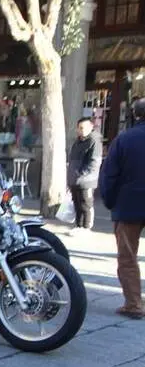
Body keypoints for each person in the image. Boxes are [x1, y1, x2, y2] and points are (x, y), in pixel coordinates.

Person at [99, 98, 145, 319]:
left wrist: (110, 201)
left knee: (128, 257)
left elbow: (109, 174)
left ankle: (134, 303)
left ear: (135, 115)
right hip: (129, 202)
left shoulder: (124, 139)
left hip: (129, 204)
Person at [67, 117, 101, 234]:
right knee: (77, 204)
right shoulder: (77, 141)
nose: (81, 130)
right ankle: (78, 225)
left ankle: (86, 227)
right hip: (75, 179)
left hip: (86, 180)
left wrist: (82, 173)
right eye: (80, 128)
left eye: (84, 128)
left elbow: (94, 161)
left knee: (86, 204)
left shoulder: (94, 141)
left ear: (91, 127)